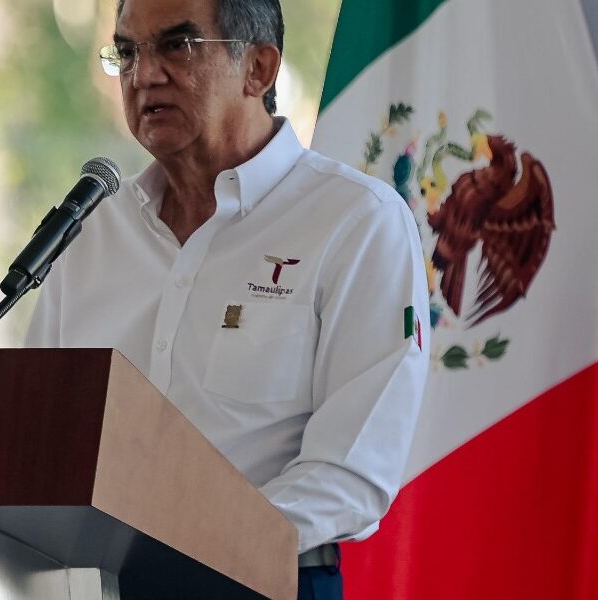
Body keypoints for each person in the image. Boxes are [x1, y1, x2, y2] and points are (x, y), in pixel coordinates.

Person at [24, 0, 429, 596]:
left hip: (265, 580)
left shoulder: (356, 222)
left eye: (177, 46)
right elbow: (36, 435)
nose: (144, 75)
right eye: (128, 53)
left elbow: (353, 472)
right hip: (96, 583)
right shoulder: (91, 231)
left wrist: (184, 541)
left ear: (258, 68)